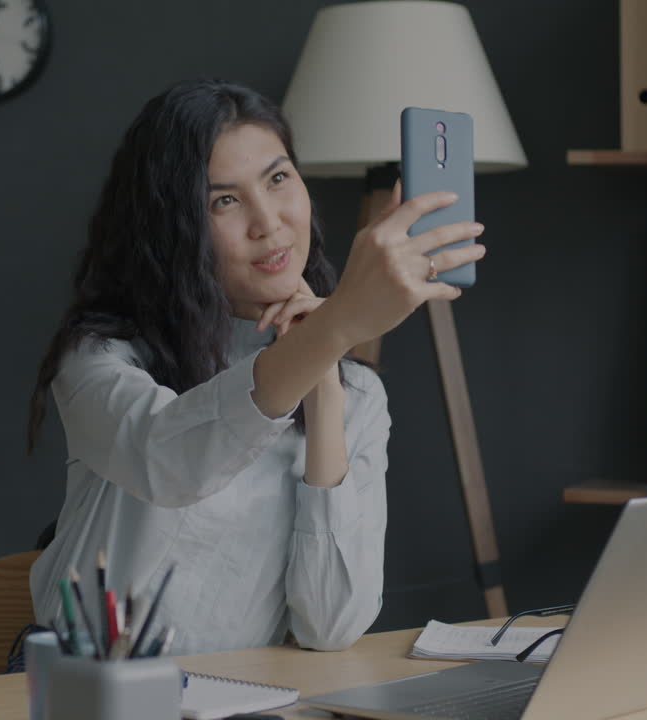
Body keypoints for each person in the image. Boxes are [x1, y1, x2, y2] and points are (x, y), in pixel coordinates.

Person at [26, 78, 486, 655]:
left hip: (240, 698)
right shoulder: (103, 357)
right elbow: (170, 461)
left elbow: (330, 625)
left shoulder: (357, 394)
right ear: (173, 227)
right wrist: (332, 329)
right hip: (87, 690)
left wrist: (322, 380)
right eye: (224, 200)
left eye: (277, 178)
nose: (267, 221)